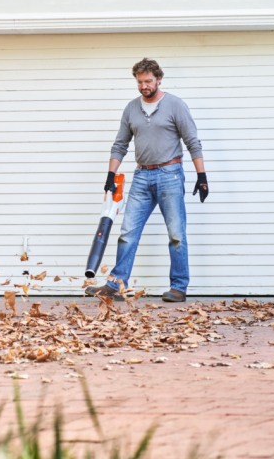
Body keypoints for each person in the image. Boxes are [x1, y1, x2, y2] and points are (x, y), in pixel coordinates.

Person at [86, 58, 208, 303]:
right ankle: (116, 285)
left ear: (159, 79)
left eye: (148, 81)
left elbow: (192, 141)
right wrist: (111, 174)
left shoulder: (175, 105)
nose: (144, 86)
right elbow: (120, 144)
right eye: (140, 82)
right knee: (128, 232)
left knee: (176, 234)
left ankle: (178, 288)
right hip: (141, 176)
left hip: (170, 175)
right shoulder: (131, 108)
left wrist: (201, 176)